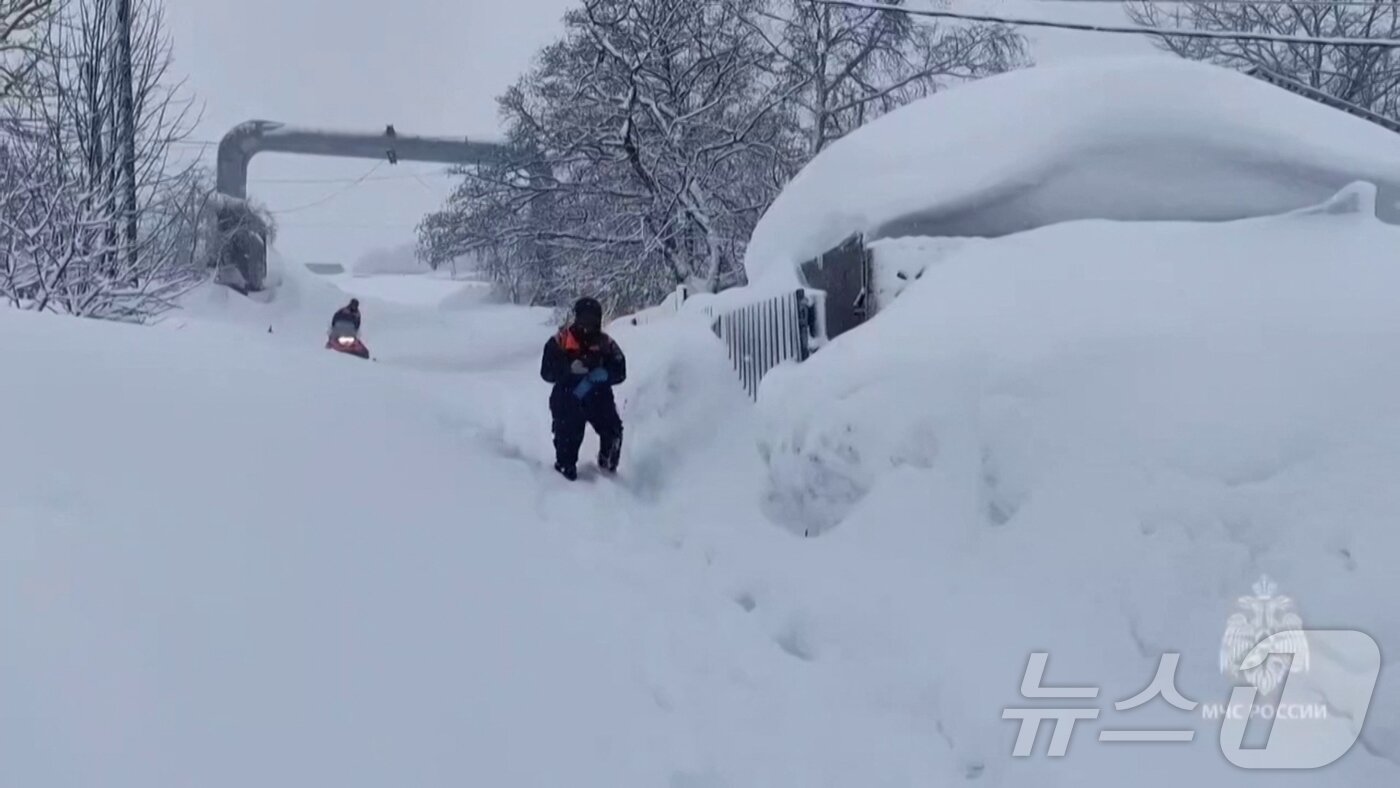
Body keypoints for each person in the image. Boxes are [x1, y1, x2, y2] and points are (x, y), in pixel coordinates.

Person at [540, 297, 626, 480]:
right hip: (567, 398)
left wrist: (605, 374)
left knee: (613, 432)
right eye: (584, 318)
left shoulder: (606, 343)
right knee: (567, 441)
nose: (588, 325)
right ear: (576, 318)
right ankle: (564, 474)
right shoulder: (561, 340)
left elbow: (620, 370)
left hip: (598, 397)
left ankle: (608, 470)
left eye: (593, 319)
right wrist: (568, 370)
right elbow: (546, 371)